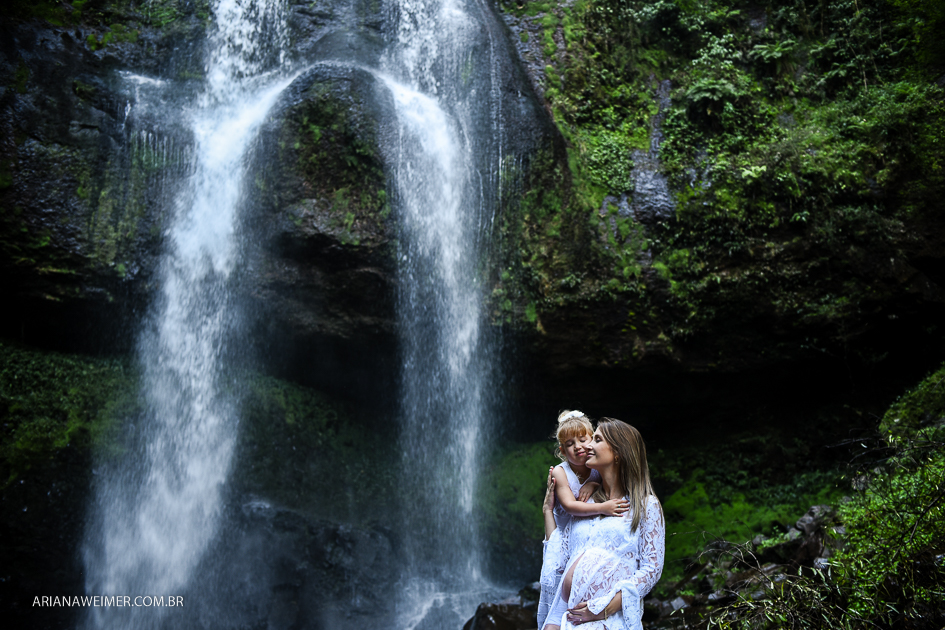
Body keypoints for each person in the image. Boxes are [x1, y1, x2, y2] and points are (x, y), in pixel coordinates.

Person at [538, 418, 665, 630]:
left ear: (618, 452)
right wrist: (548, 511)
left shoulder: (645, 505)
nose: (587, 446)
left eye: (596, 439)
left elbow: (651, 570)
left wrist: (603, 608)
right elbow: (558, 558)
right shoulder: (584, 502)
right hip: (567, 619)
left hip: (608, 621)